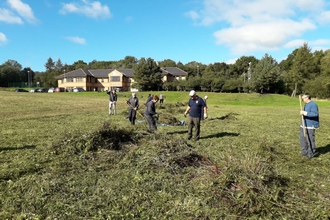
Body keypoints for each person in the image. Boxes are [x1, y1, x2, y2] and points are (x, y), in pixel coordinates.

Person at [300, 93, 319, 158]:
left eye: (303, 98)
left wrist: (306, 113)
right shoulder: (306, 105)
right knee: (303, 139)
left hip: (310, 125)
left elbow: (315, 114)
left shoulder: (313, 104)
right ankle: (304, 152)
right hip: (303, 125)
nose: (302, 100)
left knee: (310, 139)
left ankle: (311, 153)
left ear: (307, 97)